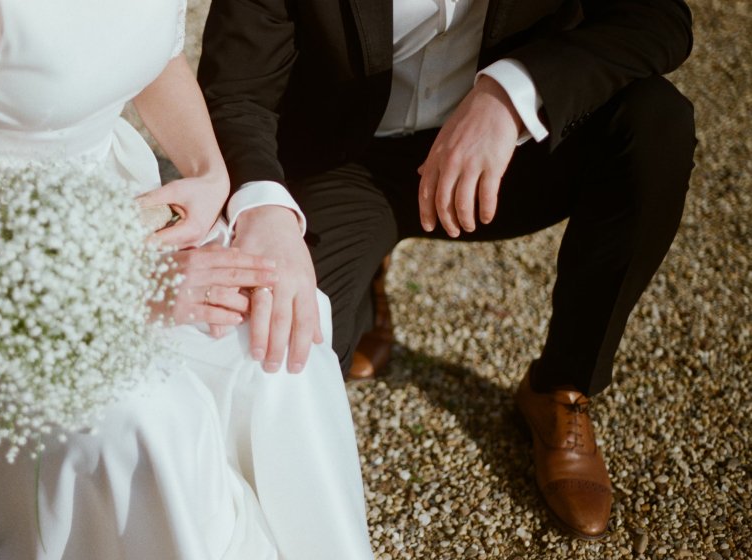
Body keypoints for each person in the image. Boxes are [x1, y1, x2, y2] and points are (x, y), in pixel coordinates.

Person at [0, 0, 374, 558]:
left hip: (119, 198)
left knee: (276, 341)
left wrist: (210, 173)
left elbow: (155, 54)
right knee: (150, 417)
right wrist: (125, 285)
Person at [197, 0, 697, 540]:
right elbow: (237, 88)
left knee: (656, 124)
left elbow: (660, 19)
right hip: (346, 164)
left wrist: (511, 94)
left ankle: (561, 388)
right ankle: (369, 273)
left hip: (511, 155)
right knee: (280, 352)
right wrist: (266, 210)